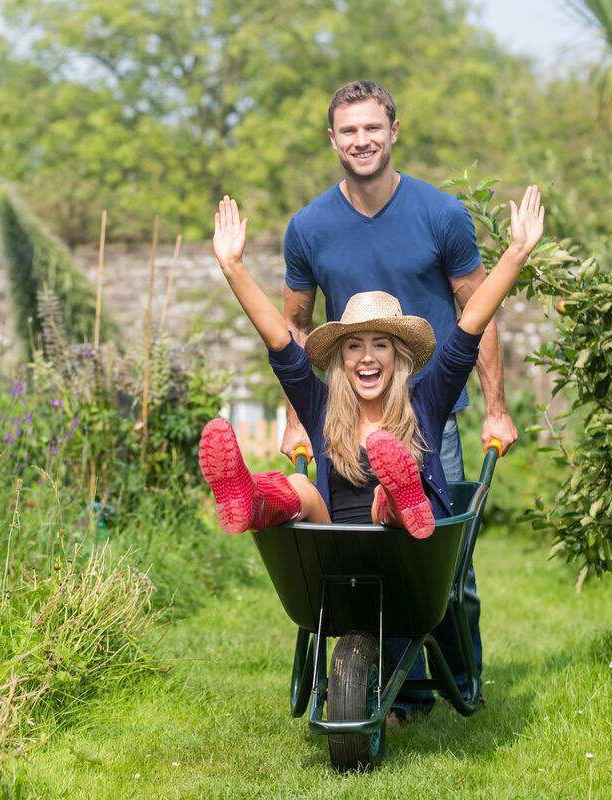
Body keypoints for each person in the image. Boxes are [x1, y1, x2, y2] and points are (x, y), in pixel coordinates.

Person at [198, 186, 543, 712]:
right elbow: (280, 341)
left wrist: (516, 253)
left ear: (400, 356)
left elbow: (469, 327)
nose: (367, 357)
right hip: (334, 553)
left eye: (380, 344)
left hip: (407, 556)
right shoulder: (321, 406)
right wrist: (233, 267)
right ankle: (251, 499)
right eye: (354, 346)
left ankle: (400, 498)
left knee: (390, 499)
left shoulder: (425, 402)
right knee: (299, 488)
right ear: (339, 358)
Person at [276, 79, 520, 717]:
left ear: (393, 131)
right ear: (333, 139)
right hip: (345, 421)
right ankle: (400, 691)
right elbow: (295, 328)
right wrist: (296, 418)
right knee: (359, 555)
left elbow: (476, 311)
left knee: (445, 564)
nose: (362, 140)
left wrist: (496, 408)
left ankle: (461, 680)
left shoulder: (439, 214)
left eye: (372, 127)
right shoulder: (309, 227)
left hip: (428, 416)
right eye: (348, 130)